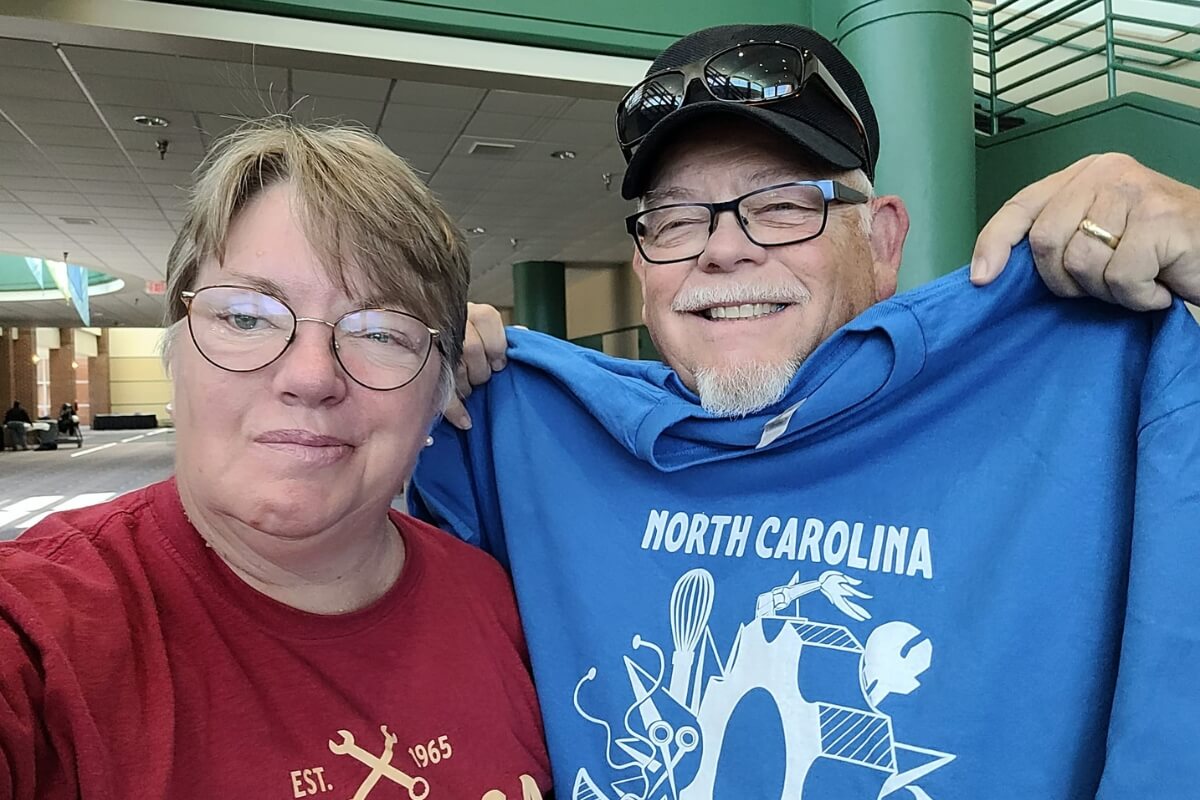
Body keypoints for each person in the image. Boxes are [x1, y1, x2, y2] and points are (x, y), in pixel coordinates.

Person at [410, 23, 1200, 800]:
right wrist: (406, 370)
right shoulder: (515, 435)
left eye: (785, 205)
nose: (723, 251)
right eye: (677, 219)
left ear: (883, 242)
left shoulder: (1088, 384)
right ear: (644, 266)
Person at [0, 120, 550, 799]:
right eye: (248, 316)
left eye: (380, 331)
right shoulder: (39, 632)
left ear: (439, 389)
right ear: (176, 349)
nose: (311, 375)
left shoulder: (503, 605)